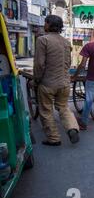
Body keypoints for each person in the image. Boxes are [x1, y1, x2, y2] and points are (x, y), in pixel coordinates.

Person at [33, 15, 79, 146]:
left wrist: (36, 80)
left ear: (48, 24)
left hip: (48, 83)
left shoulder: (42, 40)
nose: (44, 25)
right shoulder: (66, 42)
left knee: (46, 110)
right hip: (64, 83)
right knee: (63, 107)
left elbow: (39, 64)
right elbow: (68, 63)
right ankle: (72, 128)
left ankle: (54, 138)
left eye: (45, 22)